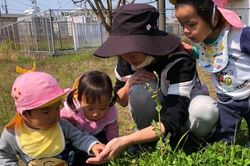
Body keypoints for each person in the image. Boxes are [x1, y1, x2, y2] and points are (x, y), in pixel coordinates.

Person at [86, 3, 218, 164]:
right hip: (157, 121)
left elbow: (175, 116)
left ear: (150, 44)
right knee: (140, 90)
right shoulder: (126, 59)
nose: (127, 56)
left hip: (186, 112)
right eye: (122, 50)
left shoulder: (179, 60)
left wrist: (126, 140)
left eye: (132, 52)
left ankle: (193, 140)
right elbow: (120, 100)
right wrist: (129, 85)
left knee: (205, 110)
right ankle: (147, 140)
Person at [171, 0, 250, 144]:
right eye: (183, 25)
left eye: (192, 24)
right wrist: (194, 52)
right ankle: (223, 148)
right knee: (224, 136)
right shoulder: (204, 40)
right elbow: (211, 55)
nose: (186, 31)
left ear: (213, 18)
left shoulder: (241, 35)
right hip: (227, 99)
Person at [0, 71, 105, 166]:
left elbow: (78, 137)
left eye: (57, 108)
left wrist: (93, 145)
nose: (55, 115)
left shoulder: (61, 125)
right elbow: (4, 155)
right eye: (46, 112)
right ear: (25, 114)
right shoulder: (13, 134)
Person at [60, 70, 119, 144]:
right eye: (90, 108)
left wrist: (113, 145)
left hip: (97, 135)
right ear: (79, 100)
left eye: (102, 108)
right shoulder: (72, 109)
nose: (96, 113)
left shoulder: (110, 112)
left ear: (109, 100)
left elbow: (112, 131)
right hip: (76, 138)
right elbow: (58, 122)